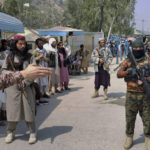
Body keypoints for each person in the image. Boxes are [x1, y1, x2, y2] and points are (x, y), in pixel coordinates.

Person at [2, 35, 37, 144]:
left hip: (26, 87)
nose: (22, 46)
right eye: (20, 43)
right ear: (15, 44)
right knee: (12, 111)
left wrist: (25, 82)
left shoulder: (30, 56)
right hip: (12, 88)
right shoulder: (10, 57)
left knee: (28, 110)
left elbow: (34, 72)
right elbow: (3, 71)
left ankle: (32, 132)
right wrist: (13, 75)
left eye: (24, 44)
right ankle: (10, 132)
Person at [117, 40, 150, 150]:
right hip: (131, 95)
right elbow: (118, 74)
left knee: (147, 118)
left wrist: (145, 78)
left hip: (144, 95)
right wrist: (129, 72)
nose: (137, 51)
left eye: (139, 49)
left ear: (143, 48)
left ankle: (148, 138)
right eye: (135, 49)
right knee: (130, 118)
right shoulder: (128, 61)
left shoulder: (148, 60)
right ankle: (129, 137)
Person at [33, 38, 49, 104]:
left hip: (44, 68)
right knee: (38, 84)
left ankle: (42, 96)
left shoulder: (45, 50)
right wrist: (39, 57)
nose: (41, 44)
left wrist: (44, 58)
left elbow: (48, 59)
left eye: (42, 43)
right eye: (40, 43)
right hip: (38, 69)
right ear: (37, 44)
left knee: (44, 83)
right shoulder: (35, 51)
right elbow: (33, 60)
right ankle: (38, 99)